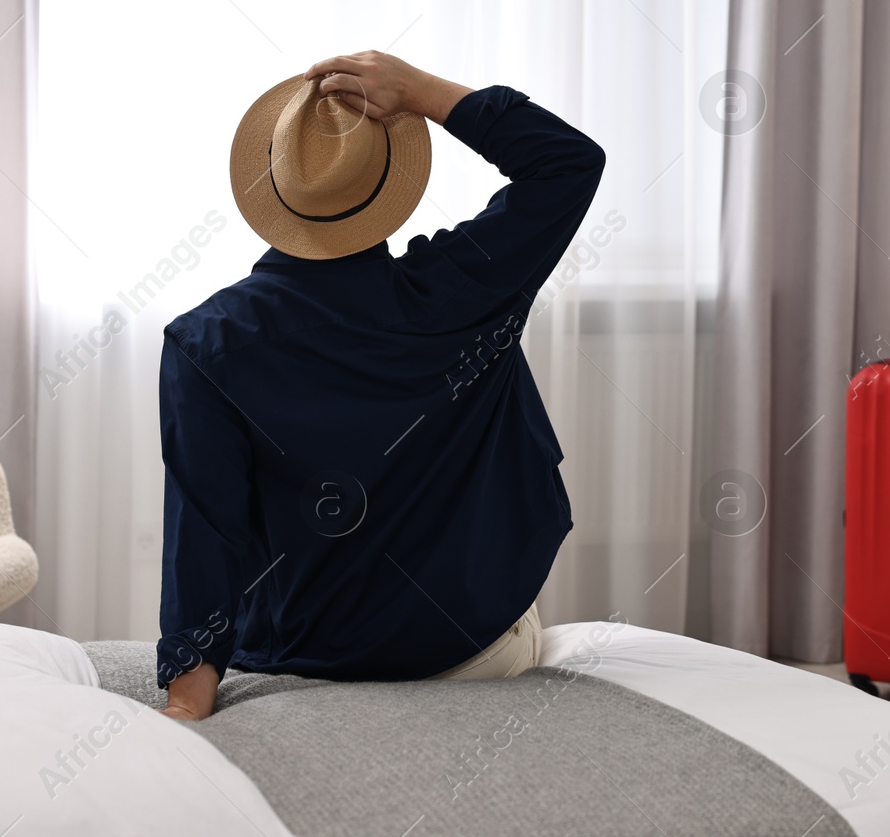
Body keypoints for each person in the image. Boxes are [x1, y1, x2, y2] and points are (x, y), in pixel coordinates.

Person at [157, 51, 604, 720]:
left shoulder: (204, 342)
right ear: (386, 187)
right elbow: (568, 162)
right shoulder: (464, 287)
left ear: (274, 188)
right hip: (467, 648)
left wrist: (188, 700)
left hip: (300, 652)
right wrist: (420, 91)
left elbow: (206, 529)